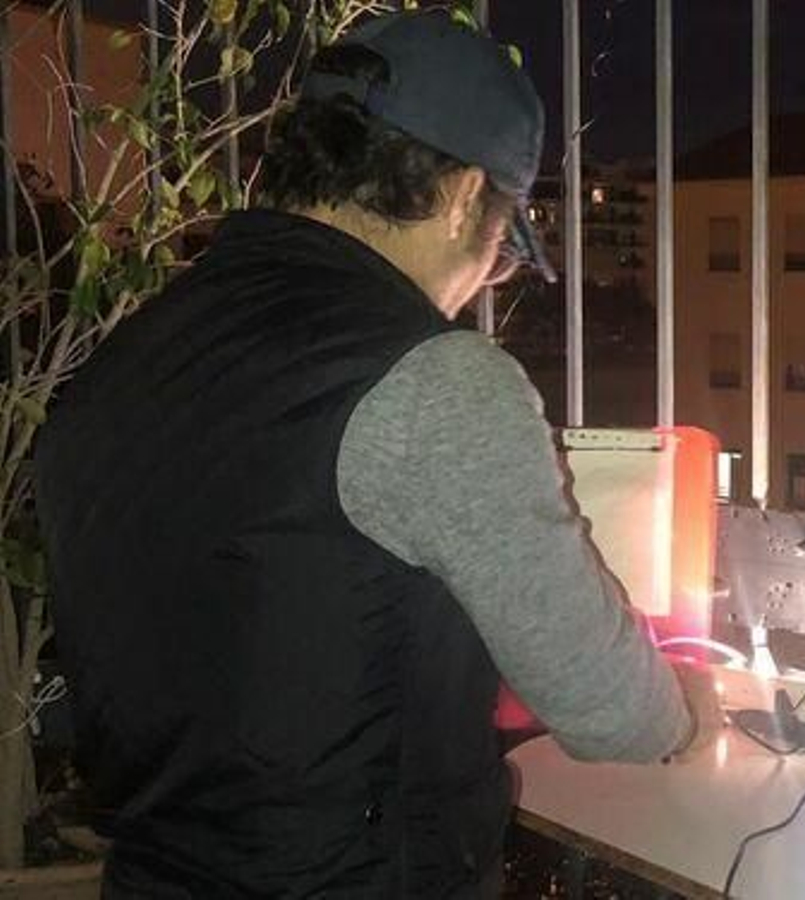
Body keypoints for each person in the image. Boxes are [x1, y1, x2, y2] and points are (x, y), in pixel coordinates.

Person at [33, 10, 716, 896]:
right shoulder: (432, 382)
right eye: (505, 253)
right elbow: (609, 709)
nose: (484, 286)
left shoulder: (136, 350)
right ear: (467, 196)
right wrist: (688, 712)